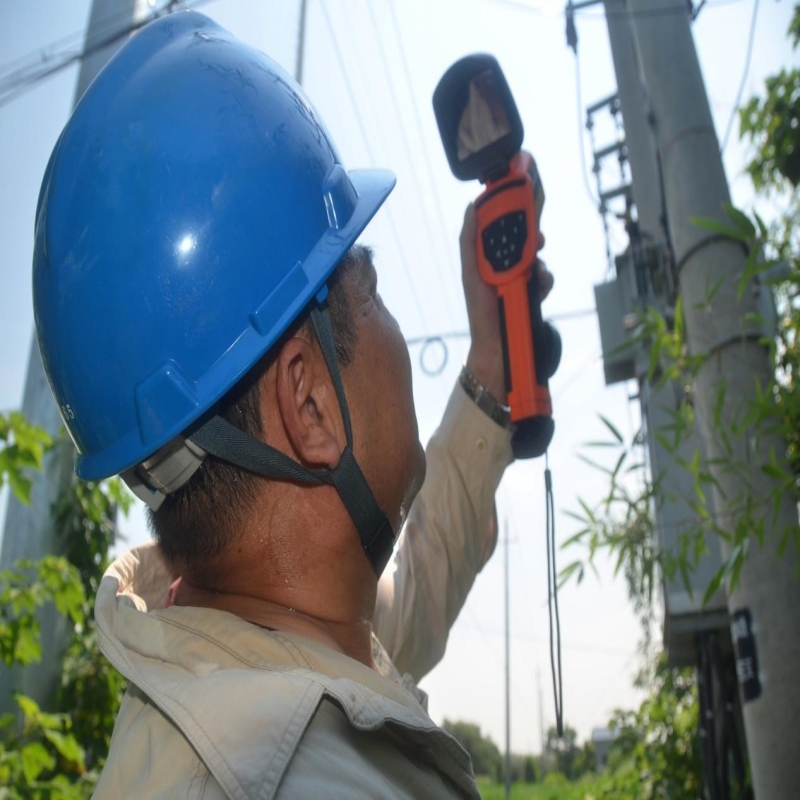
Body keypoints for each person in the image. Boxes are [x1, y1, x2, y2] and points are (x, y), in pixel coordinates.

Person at [32, 11, 553, 799]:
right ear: (308, 404)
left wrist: (489, 361)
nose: (397, 330)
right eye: (372, 293)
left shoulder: (254, 638)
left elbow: (407, 606)